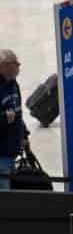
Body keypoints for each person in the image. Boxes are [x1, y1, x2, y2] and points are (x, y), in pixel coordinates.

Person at [0, 50, 26, 190]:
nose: (18, 66)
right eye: (15, 63)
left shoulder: (14, 85)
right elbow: (8, 116)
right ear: (3, 66)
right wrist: (4, 118)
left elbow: (18, 112)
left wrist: (23, 134)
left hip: (11, 152)